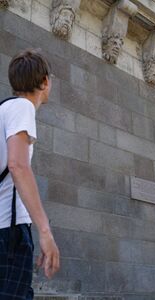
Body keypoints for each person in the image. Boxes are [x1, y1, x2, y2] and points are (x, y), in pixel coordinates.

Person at [0, 49, 60, 299]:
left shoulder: (4, 108)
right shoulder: (23, 107)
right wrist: (45, 231)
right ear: (45, 82)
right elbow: (18, 165)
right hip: (8, 230)